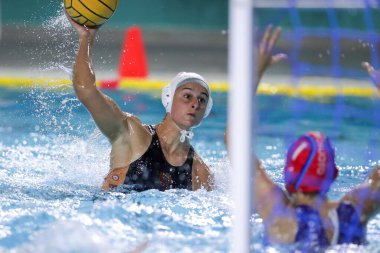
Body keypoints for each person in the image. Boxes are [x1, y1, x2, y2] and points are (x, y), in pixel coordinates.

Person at [235, 25, 380, 250]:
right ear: (334, 175)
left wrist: (256, 71)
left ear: (287, 172)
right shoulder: (355, 210)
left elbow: (235, 136)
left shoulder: (279, 215)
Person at [65, 13, 213, 192]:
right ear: (169, 98)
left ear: (206, 111)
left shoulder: (200, 172)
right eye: (187, 96)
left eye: (202, 100)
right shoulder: (133, 134)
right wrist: (86, 38)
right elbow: (86, 90)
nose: (195, 103)